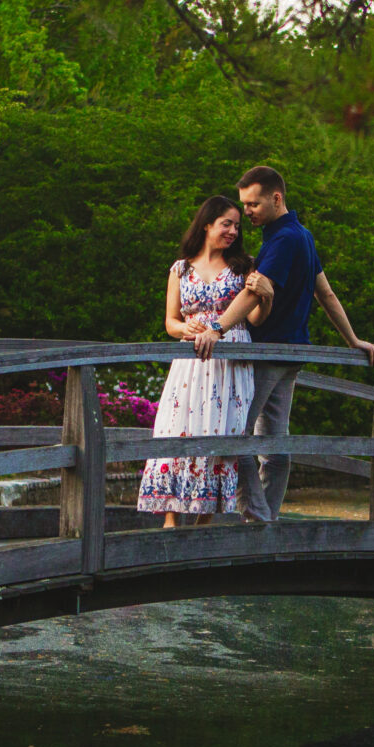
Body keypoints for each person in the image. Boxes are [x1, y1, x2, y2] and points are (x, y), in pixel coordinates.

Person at [230, 167, 374, 523]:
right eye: (244, 204)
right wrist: (353, 339)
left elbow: (254, 294)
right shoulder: (303, 235)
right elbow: (325, 292)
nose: (247, 211)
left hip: (268, 353)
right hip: (292, 354)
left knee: (237, 439)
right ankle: (267, 518)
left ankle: (256, 516)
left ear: (276, 198)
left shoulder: (283, 241)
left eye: (253, 203)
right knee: (275, 441)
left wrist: (216, 328)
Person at [137, 195, 276, 526]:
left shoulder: (244, 266)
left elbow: (256, 319)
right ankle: (170, 519)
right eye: (226, 224)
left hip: (231, 361)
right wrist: (187, 327)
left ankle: (204, 522)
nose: (232, 231)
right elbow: (170, 322)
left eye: (237, 226)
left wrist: (267, 298)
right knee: (176, 429)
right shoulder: (181, 268)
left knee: (221, 431)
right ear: (206, 224)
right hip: (191, 362)